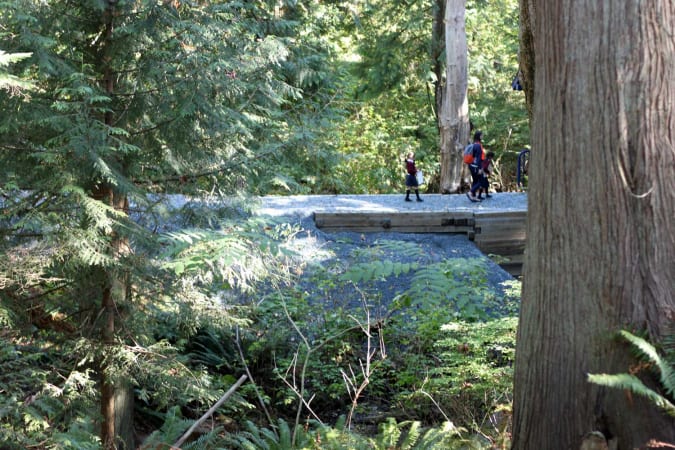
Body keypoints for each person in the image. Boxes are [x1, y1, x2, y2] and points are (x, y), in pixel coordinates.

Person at [466, 131, 485, 202]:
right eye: (482, 135)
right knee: (481, 181)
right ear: (479, 136)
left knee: (475, 180)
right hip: (476, 166)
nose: (482, 137)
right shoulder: (478, 145)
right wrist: (480, 168)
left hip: (471, 165)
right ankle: (470, 192)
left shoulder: (474, 144)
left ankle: (473, 196)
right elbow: (478, 158)